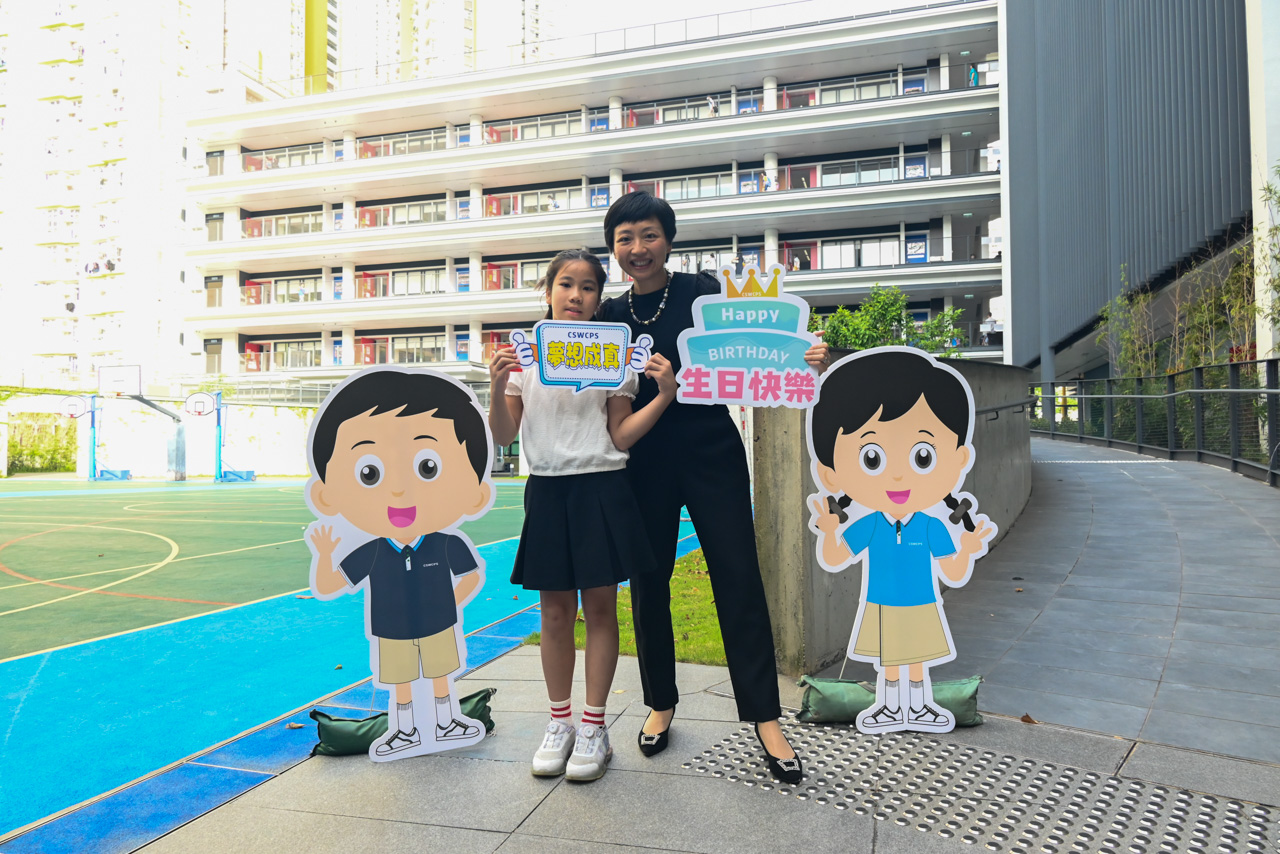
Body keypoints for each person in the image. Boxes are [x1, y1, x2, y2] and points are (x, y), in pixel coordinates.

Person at [597, 191, 829, 783]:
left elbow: (762, 344)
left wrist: (805, 355)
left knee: (738, 577)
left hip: (711, 451)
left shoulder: (705, 294)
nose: (638, 248)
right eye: (625, 239)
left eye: (649, 235)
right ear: (614, 249)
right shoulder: (607, 318)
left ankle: (765, 717)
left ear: (668, 240)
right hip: (641, 460)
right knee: (649, 584)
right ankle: (660, 702)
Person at [489, 249, 677, 782]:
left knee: (599, 610)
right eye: (566, 284)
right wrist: (495, 385)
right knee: (553, 613)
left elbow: (621, 434)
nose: (576, 295)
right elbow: (503, 435)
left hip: (602, 487)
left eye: (589, 286)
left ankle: (594, 727)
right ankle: (559, 723)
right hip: (547, 490)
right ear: (547, 291)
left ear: (599, 298)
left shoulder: (612, 354)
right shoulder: (526, 355)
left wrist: (665, 395)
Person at [307, 370, 494, 759]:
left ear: (477, 492)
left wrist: (448, 603)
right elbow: (327, 586)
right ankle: (405, 730)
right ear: (325, 494)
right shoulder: (373, 551)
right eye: (370, 472)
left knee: (441, 674)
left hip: (438, 624)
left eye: (428, 467)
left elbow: (471, 576)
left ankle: (446, 722)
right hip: (391, 631)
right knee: (402, 682)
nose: (398, 489)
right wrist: (324, 554)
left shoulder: (446, 543)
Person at [807, 349, 994, 733]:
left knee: (917, 661)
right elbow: (836, 555)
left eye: (922, 456)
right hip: (881, 604)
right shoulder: (870, 524)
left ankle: (919, 706)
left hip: (922, 603)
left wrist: (968, 548)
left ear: (959, 459)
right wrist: (827, 529)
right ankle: (891, 708)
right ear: (830, 474)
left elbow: (952, 568)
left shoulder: (930, 525)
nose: (896, 477)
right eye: (871, 458)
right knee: (891, 663)